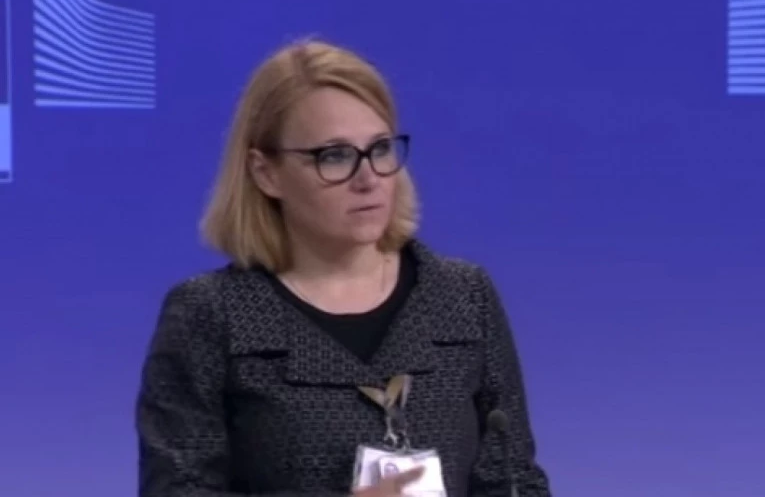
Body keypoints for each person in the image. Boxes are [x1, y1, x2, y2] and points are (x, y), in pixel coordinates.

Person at [135, 38, 552, 497]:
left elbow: (516, 479)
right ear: (265, 172)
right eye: (334, 156)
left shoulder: (463, 296)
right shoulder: (211, 315)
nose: (368, 178)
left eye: (380, 149)